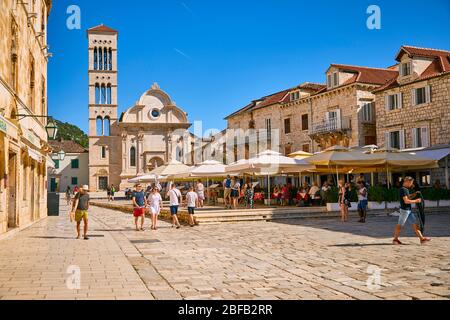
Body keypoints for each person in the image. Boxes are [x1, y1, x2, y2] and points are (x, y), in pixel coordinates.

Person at [393, 177, 431, 245]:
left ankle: (422, 239)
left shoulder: (405, 189)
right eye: (411, 182)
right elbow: (406, 201)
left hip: (408, 211)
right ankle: (395, 239)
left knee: (415, 225)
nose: (412, 184)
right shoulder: (403, 189)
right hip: (405, 211)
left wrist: (415, 194)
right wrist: (416, 201)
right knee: (400, 225)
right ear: (407, 181)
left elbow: (408, 197)